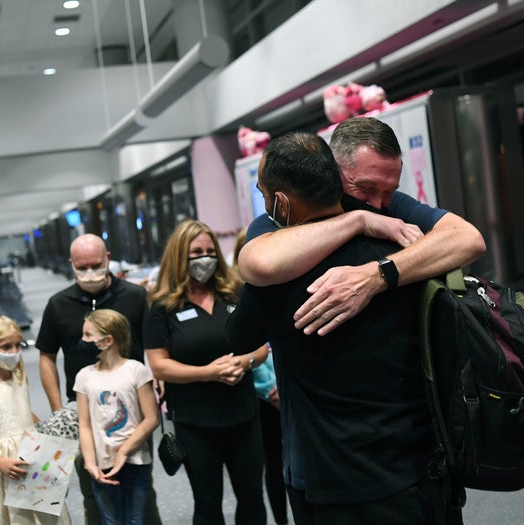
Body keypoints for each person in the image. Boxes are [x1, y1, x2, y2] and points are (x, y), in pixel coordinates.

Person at [227, 131, 464, 524]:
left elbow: (239, 337)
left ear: (281, 202)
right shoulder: (405, 247)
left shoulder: (282, 271)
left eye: (264, 194)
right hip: (421, 462)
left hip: (335, 477)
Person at [237, 117, 486, 336]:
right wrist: (359, 221)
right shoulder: (288, 215)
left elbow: (468, 239)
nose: (378, 203)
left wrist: (377, 275)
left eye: (389, 191)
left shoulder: (390, 205)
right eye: (366, 188)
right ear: (333, 170)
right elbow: (261, 263)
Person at [144, 220, 268, 525]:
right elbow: (159, 365)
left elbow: (262, 348)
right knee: (208, 504)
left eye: (210, 251)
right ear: (179, 256)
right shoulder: (163, 306)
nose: (205, 258)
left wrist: (245, 362)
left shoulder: (235, 293)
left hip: (244, 416)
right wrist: (208, 373)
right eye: (196, 252)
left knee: (252, 498)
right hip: (195, 423)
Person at [36, 233, 162, 525]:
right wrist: (60, 409)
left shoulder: (134, 296)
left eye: (96, 264)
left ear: (108, 258)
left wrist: (157, 382)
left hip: (132, 408)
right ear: (71, 265)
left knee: (141, 488)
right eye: (82, 267)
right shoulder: (58, 304)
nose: (90, 272)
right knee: (94, 489)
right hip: (84, 409)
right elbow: (46, 356)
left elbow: (155, 344)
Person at [0, 315, 71, 524]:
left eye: (17, 345)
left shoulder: (20, 378)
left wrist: (49, 438)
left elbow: (23, 414)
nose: (14, 352)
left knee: (44, 518)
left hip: (30, 458)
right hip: (0, 466)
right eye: (6, 347)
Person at [74, 309, 160, 525]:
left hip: (135, 460)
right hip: (101, 464)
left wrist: (124, 450)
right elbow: (84, 425)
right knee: (110, 520)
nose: (83, 341)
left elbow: (151, 418)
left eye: (88, 335)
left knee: (135, 519)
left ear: (107, 340)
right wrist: (90, 463)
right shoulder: (84, 376)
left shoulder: (136, 370)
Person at [232, 230, 288, 525]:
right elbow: (249, 348)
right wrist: (270, 389)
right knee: (274, 466)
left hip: (293, 391)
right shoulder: (240, 293)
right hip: (264, 399)